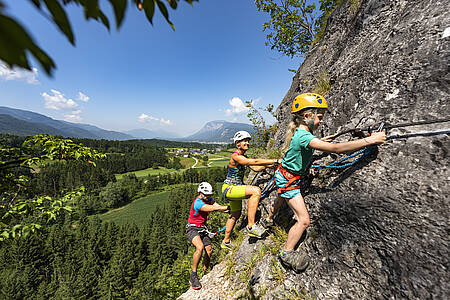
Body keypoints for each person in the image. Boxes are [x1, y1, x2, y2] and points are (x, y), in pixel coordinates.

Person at [262, 92, 386, 272]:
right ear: (307, 116)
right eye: (319, 117)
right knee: (304, 221)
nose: (321, 121)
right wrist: (370, 140)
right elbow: (336, 149)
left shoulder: (302, 133)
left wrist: (318, 141)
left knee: (280, 197)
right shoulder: (305, 137)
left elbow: (307, 144)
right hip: (289, 181)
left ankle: (269, 219)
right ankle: (286, 253)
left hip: (284, 176)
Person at [220, 131, 280, 250]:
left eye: (248, 141)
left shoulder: (243, 156)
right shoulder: (235, 156)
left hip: (231, 189)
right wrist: (275, 161)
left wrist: (269, 166)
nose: (247, 143)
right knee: (255, 191)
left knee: (235, 214)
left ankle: (225, 242)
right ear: (237, 143)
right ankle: (251, 227)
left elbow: (256, 167)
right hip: (230, 188)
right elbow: (252, 162)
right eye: (244, 141)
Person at [186, 182, 229, 290]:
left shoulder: (208, 199)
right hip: (193, 229)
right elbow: (214, 209)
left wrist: (229, 210)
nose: (208, 197)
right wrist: (227, 208)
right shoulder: (198, 203)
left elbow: (217, 206)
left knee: (209, 250)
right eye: (206, 195)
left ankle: (205, 271)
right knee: (199, 247)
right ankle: (193, 275)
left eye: (209, 195)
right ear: (200, 193)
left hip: (202, 228)